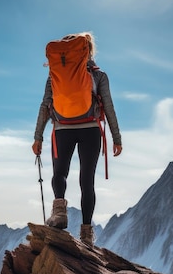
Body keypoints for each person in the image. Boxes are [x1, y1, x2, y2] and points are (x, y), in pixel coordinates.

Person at [32, 31, 122, 247]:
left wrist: (38, 137)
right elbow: (108, 107)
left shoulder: (55, 75)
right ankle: (86, 234)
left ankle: (60, 214)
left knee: (59, 172)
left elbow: (45, 106)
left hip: (62, 129)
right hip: (91, 129)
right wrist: (116, 138)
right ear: (88, 51)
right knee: (87, 180)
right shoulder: (99, 76)